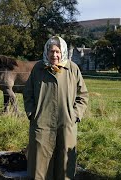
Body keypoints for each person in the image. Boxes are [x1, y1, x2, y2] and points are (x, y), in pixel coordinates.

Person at [23, 36, 89, 180]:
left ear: (63, 52)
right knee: (39, 164)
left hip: (66, 123)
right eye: (52, 51)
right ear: (47, 52)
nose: (55, 55)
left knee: (65, 161)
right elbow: (28, 93)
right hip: (41, 123)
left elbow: (82, 95)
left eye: (58, 52)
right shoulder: (38, 68)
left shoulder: (72, 68)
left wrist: (75, 115)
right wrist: (31, 113)